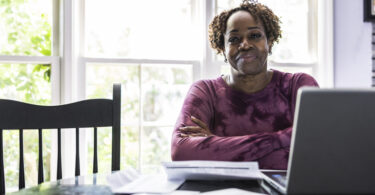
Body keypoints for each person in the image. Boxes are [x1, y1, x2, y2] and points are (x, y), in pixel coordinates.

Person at [171, 0, 318, 170]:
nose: (245, 45)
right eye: (234, 39)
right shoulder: (205, 92)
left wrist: (215, 144)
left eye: (255, 36)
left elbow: (316, 149)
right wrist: (287, 138)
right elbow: (182, 153)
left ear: (269, 41)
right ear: (222, 48)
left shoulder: (298, 86)